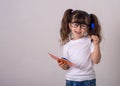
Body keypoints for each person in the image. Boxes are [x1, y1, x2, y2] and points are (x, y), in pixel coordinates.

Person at [58, 9, 102, 86]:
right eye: (75, 25)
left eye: (83, 26)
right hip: (71, 79)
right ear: (69, 25)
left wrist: (96, 44)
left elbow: (96, 61)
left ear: (88, 27)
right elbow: (66, 67)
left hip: (88, 80)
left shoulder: (90, 41)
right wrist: (63, 66)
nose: (78, 29)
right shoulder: (67, 46)